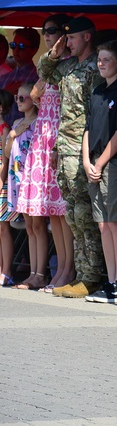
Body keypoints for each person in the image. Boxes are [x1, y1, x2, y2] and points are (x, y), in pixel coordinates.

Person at [37, 16, 105, 299]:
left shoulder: (94, 68)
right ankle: (79, 272)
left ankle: (92, 276)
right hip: (63, 148)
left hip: (83, 147)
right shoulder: (67, 66)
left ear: (87, 37)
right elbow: (44, 70)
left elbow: (95, 111)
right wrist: (54, 51)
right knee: (72, 215)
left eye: (72, 38)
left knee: (84, 214)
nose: (68, 43)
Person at [21, 15, 72, 292]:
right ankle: (47, 271)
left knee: (63, 212)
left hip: (58, 140)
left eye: (52, 31)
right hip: (42, 137)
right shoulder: (49, 66)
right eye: (45, 32)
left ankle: (66, 269)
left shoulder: (69, 67)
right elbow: (36, 92)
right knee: (51, 212)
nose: (48, 36)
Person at [81, 41, 117, 304]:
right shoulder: (97, 90)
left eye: (106, 59)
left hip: (113, 163)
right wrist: (87, 161)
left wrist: (100, 164)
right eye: (99, 59)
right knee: (102, 224)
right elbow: (88, 129)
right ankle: (111, 280)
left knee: (114, 222)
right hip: (95, 161)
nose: (101, 63)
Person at [9, 84, 46, 290]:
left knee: (38, 226)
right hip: (19, 179)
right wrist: (13, 135)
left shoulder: (40, 122)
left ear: (34, 100)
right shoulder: (17, 122)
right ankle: (32, 272)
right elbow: (7, 152)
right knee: (30, 227)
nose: (19, 101)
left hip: (34, 177)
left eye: (23, 98)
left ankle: (40, 273)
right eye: (17, 98)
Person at [0, 28, 41, 128]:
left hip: (26, 134)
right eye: (13, 45)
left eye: (21, 46)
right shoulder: (4, 77)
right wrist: (6, 93)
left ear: (34, 50)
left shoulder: (38, 78)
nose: (16, 50)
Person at [0, 91, 15, 286]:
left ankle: (7, 270)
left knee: (3, 228)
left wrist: (1, 180)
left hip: (1, 183)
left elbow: (4, 159)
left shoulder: (4, 129)